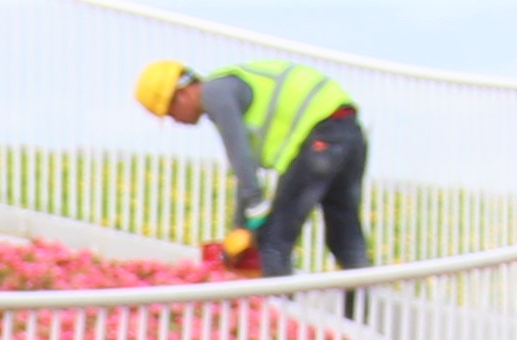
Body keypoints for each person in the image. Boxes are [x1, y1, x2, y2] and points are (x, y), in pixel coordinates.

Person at [137, 52, 371, 278]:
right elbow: (247, 167)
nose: (175, 121)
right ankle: (357, 317)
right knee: (346, 238)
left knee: (273, 243)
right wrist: (242, 225)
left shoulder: (216, 93)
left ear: (181, 95)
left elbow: (239, 155)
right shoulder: (230, 89)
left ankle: (278, 316)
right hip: (347, 131)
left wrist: (255, 205)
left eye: (170, 113)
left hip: (321, 133)